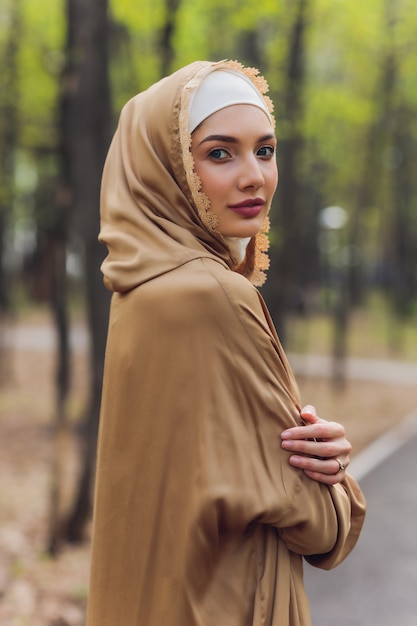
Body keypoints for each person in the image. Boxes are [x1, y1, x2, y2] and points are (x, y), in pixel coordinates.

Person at [86, 60, 366, 626]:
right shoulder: (213, 295)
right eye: (220, 153)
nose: (253, 177)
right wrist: (338, 482)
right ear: (166, 169)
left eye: (265, 150)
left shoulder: (140, 293)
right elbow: (323, 527)